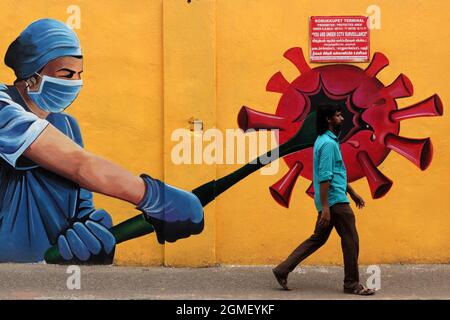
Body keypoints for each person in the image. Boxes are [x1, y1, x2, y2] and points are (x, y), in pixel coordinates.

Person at [0, 18, 204, 263]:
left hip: (48, 274)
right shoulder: (4, 108)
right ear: (31, 76)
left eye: (79, 74)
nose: (75, 83)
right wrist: (154, 197)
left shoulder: (67, 127)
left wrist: (90, 239)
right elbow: (79, 165)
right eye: (65, 75)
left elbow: (80, 201)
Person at [272, 103, 376, 295]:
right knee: (351, 240)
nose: (342, 118)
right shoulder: (328, 144)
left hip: (331, 199)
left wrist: (352, 193)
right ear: (329, 119)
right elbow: (325, 175)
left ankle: (282, 269)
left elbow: (334, 173)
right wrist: (327, 207)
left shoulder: (324, 140)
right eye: (338, 115)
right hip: (335, 202)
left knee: (317, 239)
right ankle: (352, 284)